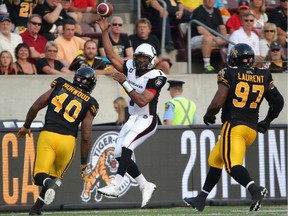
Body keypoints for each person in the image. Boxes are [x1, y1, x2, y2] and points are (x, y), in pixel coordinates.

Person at [183, 43, 284, 212]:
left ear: (234, 58)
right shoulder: (264, 75)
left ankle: (255, 190)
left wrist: (209, 114)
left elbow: (218, 100)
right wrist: (267, 121)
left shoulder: (228, 73)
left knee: (232, 165)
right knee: (216, 159)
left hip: (234, 126)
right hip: (251, 130)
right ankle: (201, 198)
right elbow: (278, 102)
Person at [96, 16, 167, 208]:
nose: (140, 61)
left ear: (151, 60)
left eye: (143, 58)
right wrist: (104, 31)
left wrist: (124, 82)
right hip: (133, 118)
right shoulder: (130, 67)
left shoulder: (157, 76)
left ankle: (115, 185)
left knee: (127, 146)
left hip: (148, 119)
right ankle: (145, 184)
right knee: (119, 153)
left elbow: (142, 99)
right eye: (138, 57)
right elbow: (111, 55)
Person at [16, 66, 99, 215]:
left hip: (48, 135)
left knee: (39, 176)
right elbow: (86, 137)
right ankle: (36, 209)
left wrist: (26, 125)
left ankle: (49, 184)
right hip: (68, 141)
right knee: (55, 176)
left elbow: (36, 106)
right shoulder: (90, 102)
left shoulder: (61, 84)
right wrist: (84, 163)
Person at [190, 0, 227, 73]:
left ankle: (229, 64)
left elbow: (222, 27)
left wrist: (223, 38)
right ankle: (207, 66)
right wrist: (216, 39)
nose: (210, 1)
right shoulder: (198, 11)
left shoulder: (217, 11)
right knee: (208, 38)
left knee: (231, 37)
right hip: (197, 38)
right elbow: (201, 30)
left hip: (214, 38)